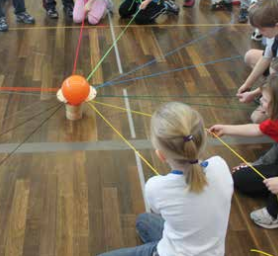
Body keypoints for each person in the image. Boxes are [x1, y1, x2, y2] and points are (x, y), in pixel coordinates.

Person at [99, 102, 233, 255]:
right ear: (202, 141)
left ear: (161, 155)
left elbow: (158, 208)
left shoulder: (156, 187)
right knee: (144, 221)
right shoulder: (220, 165)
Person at [211, 71, 278, 229]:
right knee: (241, 178)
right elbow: (258, 129)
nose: (260, 101)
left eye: (265, 99)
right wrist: (226, 129)